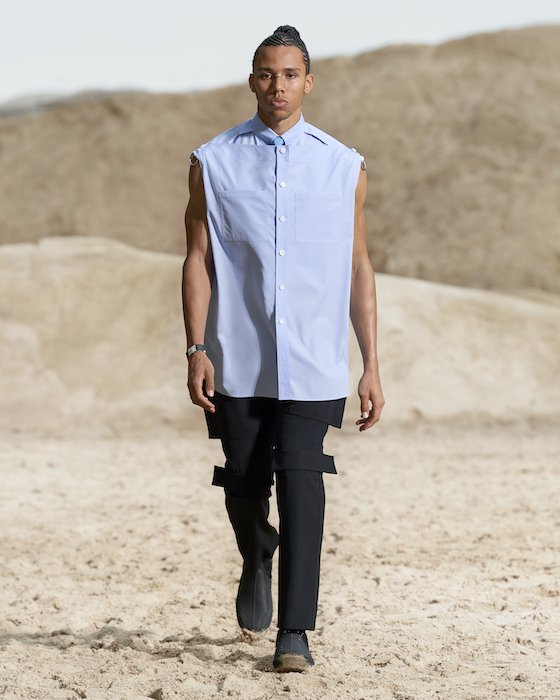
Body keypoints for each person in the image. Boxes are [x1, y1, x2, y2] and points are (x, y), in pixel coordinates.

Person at [182, 25, 384, 672]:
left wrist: (371, 364)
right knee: (244, 477)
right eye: (267, 74)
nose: (278, 86)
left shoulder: (343, 166)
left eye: (290, 74)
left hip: (315, 360)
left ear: (308, 82)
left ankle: (295, 629)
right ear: (252, 80)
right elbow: (197, 257)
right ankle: (256, 552)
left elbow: (358, 266)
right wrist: (196, 346)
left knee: (302, 477)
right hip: (238, 357)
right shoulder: (213, 161)